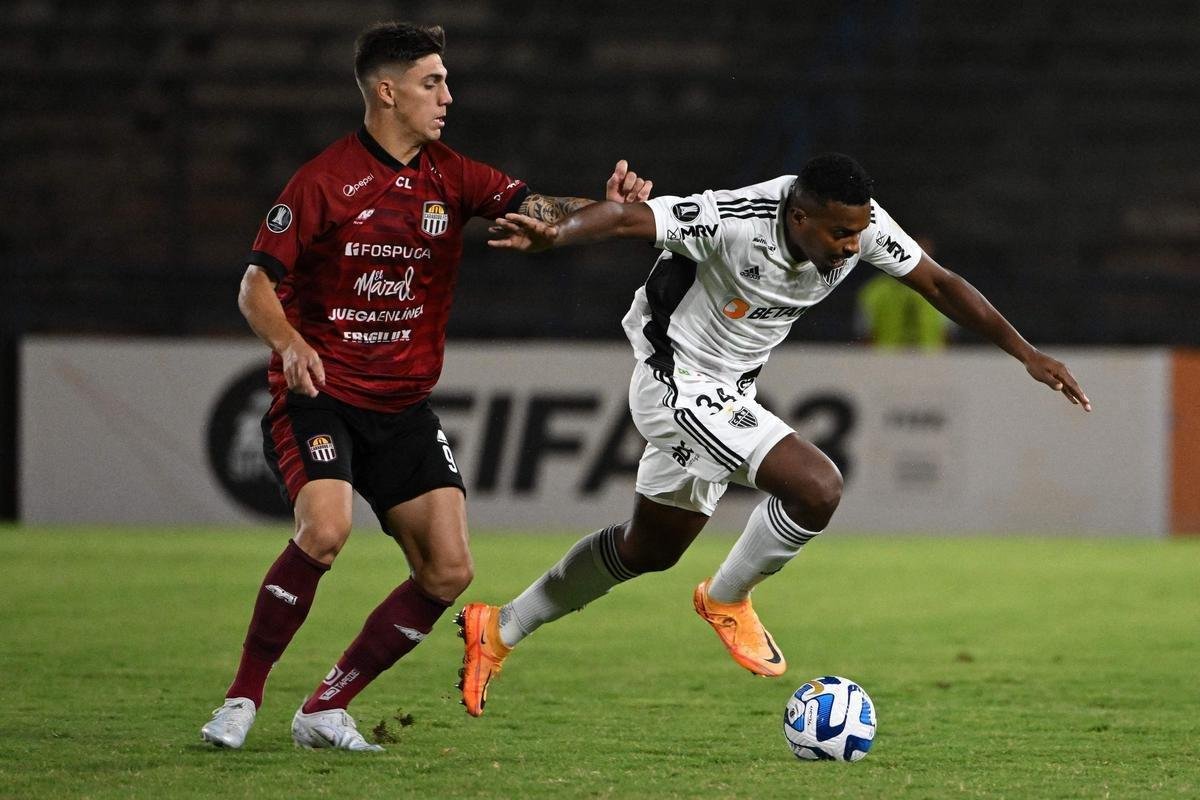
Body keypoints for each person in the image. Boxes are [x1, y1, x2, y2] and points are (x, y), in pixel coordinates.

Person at [456, 153, 1091, 717]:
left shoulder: (860, 228)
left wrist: (1026, 352)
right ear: (798, 217)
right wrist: (558, 233)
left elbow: (939, 282)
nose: (852, 246)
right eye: (841, 233)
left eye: (860, 231)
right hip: (674, 380)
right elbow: (630, 219)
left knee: (648, 549)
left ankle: (501, 627)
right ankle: (728, 598)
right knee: (817, 487)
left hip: (729, 391)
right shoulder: (732, 218)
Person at [199, 21, 651, 751]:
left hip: (403, 407)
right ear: (387, 91)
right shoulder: (323, 181)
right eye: (431, 82)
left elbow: (541, 211)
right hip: (322, 395)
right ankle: (241, 699)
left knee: (448, 571)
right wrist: (287, 343)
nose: (448, 95)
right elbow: (256, 283)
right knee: (326, 528)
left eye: (445, 80)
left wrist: (611, 208)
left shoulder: (452, 175)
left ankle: (323, 708)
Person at [856, 235, 952, 349]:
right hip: (887, 362)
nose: (920, 262)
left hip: (930, 362)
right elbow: (867, 335)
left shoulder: (943, 288)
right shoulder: (874, 290)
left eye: (926, 258)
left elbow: (946, 334)